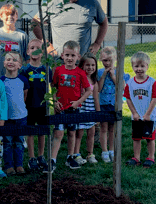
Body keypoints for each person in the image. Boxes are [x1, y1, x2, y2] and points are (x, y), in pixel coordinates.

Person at [32, 0, 108, 56]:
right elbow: (34, 22)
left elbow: (104, 22)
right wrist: (46, 44)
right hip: (59, 60)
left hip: (83, 60)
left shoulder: (91, 3)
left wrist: (97, 43)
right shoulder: (53, 4)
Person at [50, 40, 92, 172]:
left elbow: (88, 90)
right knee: (58, 133)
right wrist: (55, 101)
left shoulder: (80, 72)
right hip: (60, 108)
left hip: (74, 108)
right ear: (62, 55)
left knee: (72, 133)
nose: (69, 58)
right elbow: (53, 87)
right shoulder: (58, 70)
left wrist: (78, 102)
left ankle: (70, 157)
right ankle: (52, 160)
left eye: (72, 56)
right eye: (67, 55)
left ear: (78, 57)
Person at [124, 52, 156, 168]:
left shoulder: (152, 82)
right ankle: (137, 157)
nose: (139, 69)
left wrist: (148, 114)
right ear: (132, 67)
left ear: (147, 66)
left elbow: (154, 98)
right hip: (136, 116)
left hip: (149, 117)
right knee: (136, 138)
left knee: (149, 138)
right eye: (136, 66)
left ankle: (150, 157)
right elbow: (128, 98)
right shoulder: (130, 83)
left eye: (142, 66)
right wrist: (134, 112)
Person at [21, 38, 50, 173]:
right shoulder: (25, 70)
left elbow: (52, 87)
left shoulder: (46, 69)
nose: (34, 50)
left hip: (43, 105)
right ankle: (32, 157)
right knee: (31, 132)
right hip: (29, 105)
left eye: (37, 48)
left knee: (42, 131)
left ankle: (41, 156)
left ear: (42, 52)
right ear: (27, 51)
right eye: (32, 48)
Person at [97, 46, 130, 163]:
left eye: (110, 60)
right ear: (101, 60)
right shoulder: (100, 72)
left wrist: (113, 76)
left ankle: (112, 149)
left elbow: (123, 87)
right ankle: (104, 151)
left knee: (112, 128)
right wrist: (103, 76)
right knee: (104, 128)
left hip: (115, 104)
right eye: (105, 60)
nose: (107, 63)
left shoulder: (119, 71)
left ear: (115, 59)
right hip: (103, 104)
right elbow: (98, 89)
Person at [0, 52, 29, 176]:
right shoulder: (0, 81)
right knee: (7, 142)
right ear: (4, 63)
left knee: (19, 142)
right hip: (7, 118)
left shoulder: (23, 80)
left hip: (21, 117)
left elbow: (24, 96)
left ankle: (19, 165)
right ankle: (9, 166)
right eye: (8, 59)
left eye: (14, 60)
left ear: (20, 65)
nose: (11, 62)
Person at [74, 53, 100, 165]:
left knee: (91, 133)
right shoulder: (79, 79)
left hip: (91, 111)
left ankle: (90, 154)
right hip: (81, 110)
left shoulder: (94, 82)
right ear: (82, 66)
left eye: (93, 65)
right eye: (87, 65)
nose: (90, 68)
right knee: (79, 133)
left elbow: (96, 99)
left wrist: (98, 115)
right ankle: (76, 154)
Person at [0, 4, 29, 77]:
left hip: (17, 76)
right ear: (1, 16)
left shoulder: (22, 36)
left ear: (16, 16)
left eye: (12, 14)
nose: (10, 17)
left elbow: (27, 57)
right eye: (7, 14)